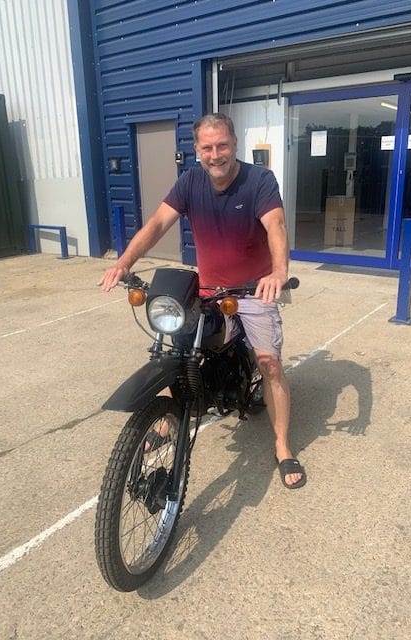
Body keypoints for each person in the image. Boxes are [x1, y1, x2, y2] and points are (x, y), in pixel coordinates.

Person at [99, 112, 306, 490]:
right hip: (209, 289)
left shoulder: (259, 180)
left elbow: (276, 224)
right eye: (207, 147)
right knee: (174, 350)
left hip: (253, 289)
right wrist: (125, 261)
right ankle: (165, 418)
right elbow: (158, 223)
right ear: (197, 150)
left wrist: (277, 272)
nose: (216, 154)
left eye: (222, 145)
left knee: (270, 364)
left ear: (235, 145)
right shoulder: (190, 181)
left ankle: (281, 444)